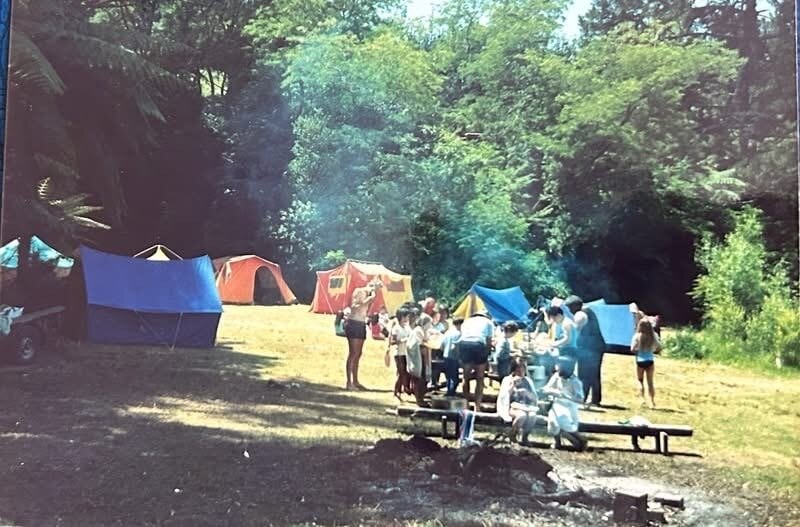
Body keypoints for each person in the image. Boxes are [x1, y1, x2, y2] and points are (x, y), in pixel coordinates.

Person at [565, 295, 605, 407]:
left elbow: (575, 329)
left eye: (569, 307)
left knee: (585, 373)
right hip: (595, 347)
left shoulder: (581, 314)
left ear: (575, 306)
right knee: (594, 373)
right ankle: (595, 400)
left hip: (591, 348)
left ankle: (582, 398)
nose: (569, 310)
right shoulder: (586, 311)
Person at [344, 280, 382, 390]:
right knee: (353, 353)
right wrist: (369, 299)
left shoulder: (370, 297)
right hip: (353, 323)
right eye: (377, 290)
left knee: (359, 353)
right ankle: (348, 382)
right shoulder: (359, 291)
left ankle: (355, 381)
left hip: (361, 324)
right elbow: (354, 306)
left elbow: (366, 311)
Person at [542, 358, 587, 450]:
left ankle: (580, 440)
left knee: (564, 422)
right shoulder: (556, 376)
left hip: (570, 406)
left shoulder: (575, 382)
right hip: (557, 404)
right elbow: (546, 388)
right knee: (553, 422)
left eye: (560, 367)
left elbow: (581, 399)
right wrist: (553, 392)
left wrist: (565, 396)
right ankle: (557, 442)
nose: (557, 369)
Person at [497, 357, 539, 444]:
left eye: (523, 368)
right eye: (518, 368)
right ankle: (512, 434)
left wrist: (527, 393)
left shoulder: (528, 381)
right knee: (521, 416)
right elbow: (504, 397)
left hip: (527, 406)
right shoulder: (507, 380)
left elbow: (535, 398)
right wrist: (512, 386)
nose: (521, 371)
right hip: (513, 407)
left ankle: (525, 437)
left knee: (532, 416)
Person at [459, 310, 494, 409]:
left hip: (464, 344)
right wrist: (486, 357)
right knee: (479, 377)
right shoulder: (489, 322)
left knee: (466, 377)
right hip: (478, 344)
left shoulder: (466, 322)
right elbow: (488, 342)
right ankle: (477, 405)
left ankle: (466, 404)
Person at [631, 317, 662, 408]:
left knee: (640, 381)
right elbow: (659, 347)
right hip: (650, 360)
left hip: (640, 360)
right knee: (650, 382)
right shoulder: (654, 335)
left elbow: (632, 349)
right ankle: (652, 402)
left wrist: (638, 350)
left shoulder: (637, 336)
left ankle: (642, 399)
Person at [388, 306, 412, 401]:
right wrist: (402, 340)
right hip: (398, 354)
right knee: (401, 373)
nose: (407, 318)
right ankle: (396, 390)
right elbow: (393, 341)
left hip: (406, 353)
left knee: (405, 373)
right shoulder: (396, 329)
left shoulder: (407, 328)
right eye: (406, 316)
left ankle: (401, 389)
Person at [440, 317, 463, 396]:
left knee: (449, 376)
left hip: (446, 356)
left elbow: (441, 345)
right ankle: (451, 392)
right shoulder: (459, 334)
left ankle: (449, 391)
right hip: (454, 357)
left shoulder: (448, 332)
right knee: (454, 377)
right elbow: (456, 347)